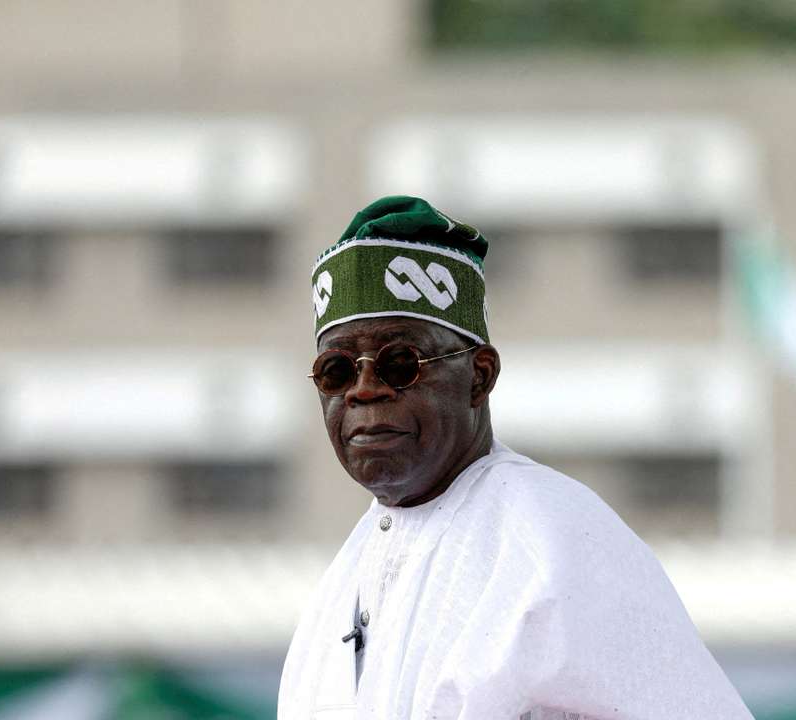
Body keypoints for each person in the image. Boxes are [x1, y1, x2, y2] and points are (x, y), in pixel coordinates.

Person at [279, 196, 753, 720]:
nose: (363, 391)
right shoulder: (337, 587)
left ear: (478, 376)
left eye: (399, 363)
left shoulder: (556, 537)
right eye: (337, 372)